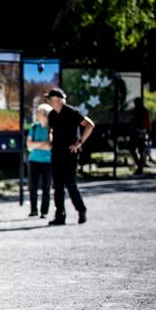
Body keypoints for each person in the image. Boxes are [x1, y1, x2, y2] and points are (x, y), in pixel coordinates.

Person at [46, 88, 94, 225]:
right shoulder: (52, 115)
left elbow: (90, 125)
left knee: (70, 183)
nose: (49, 101)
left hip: (70, 153)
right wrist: (50, 141)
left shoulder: (71, 112)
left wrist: (79, 143)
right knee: (58, 185)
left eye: (51, 99)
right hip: (56, 153)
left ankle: (81, 210)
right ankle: (60, 215)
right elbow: (50, 130)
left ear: (57, 100)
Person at [26, 103, 52, 218]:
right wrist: (42, 143)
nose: (37, 114)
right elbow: (28, 145)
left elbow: (50, 146)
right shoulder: (34, 127)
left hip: (48, 161)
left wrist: (35, 145)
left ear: (45, 115)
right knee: (33, 186)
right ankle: (33, 210)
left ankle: (44, 211)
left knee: (46, 187)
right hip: (33, 160)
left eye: (39, 113)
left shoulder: (51, 128)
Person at [129, 97, 152, 174]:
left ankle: (139, 165)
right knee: (138, 149)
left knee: (138, 149)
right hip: (140, 131)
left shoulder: (141, 111)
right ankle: (139, 165)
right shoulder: (140, 111)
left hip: (139, 131)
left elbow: (147, 122)